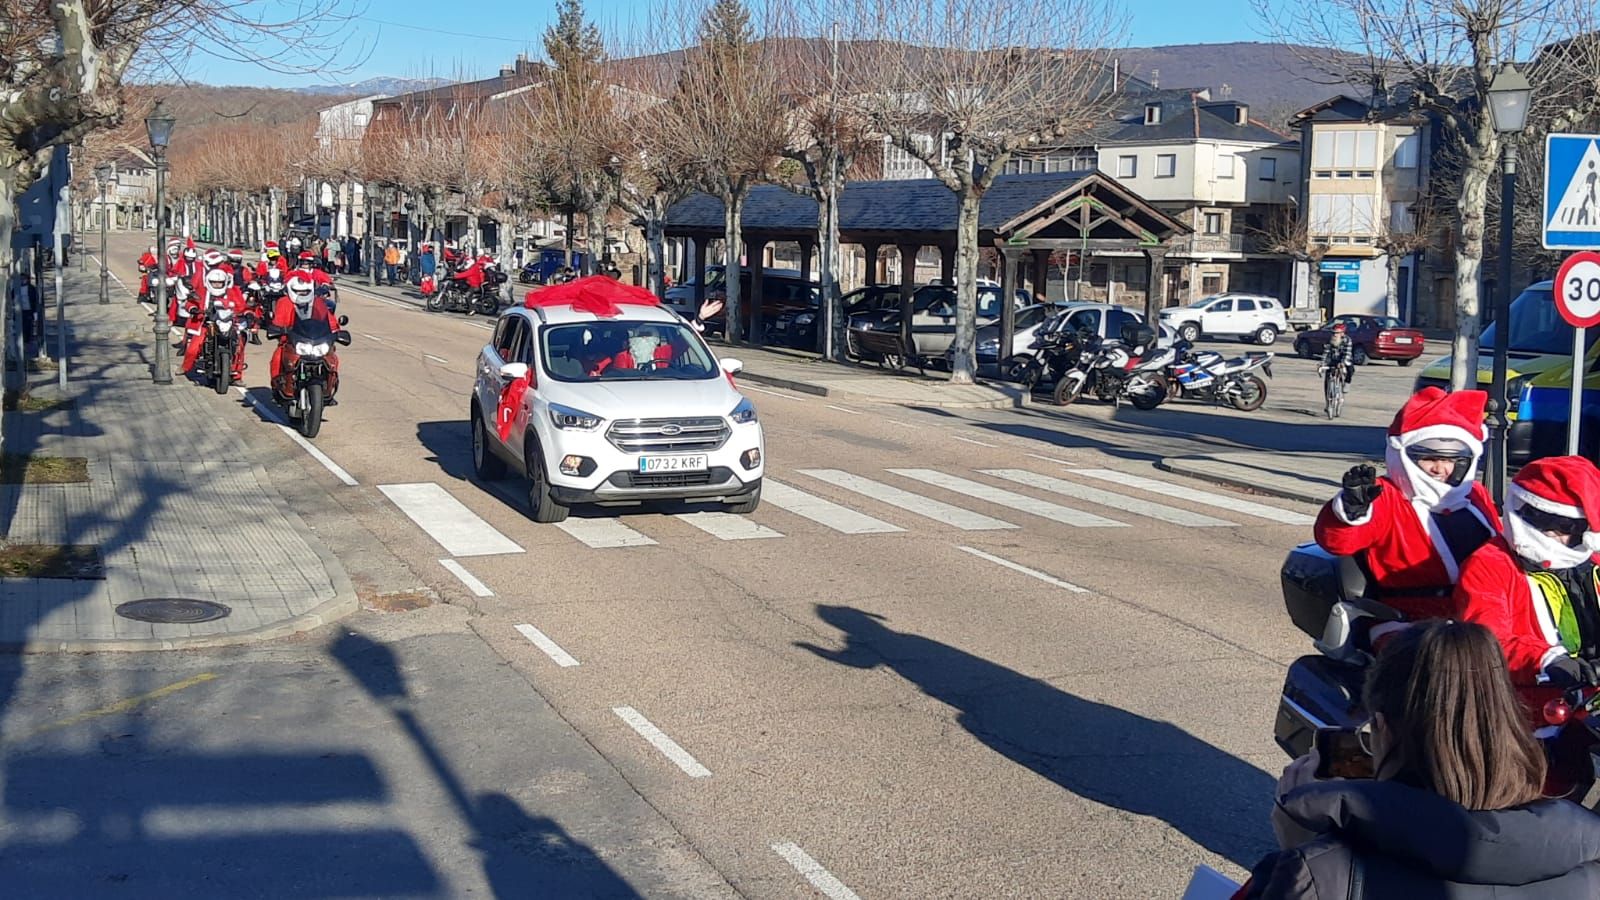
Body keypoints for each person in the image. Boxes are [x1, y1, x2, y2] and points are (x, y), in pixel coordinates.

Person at [1235, 621, 1600, 898]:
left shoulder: (1322, 872)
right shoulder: (1586, 863)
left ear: (1383, 729)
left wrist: (1301, 845)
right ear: (1508, 728)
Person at [1314, 387, 1498, 621]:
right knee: (1450, 653)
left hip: (1480, 613)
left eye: (1450, 460)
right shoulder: (1386, 495)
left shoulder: (1475, 495)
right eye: (1429, 459)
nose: (1440, 469)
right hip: (1407, 619)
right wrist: (1351, 509)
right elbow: (1338, 543)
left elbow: (1500, 550)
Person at [1454, 456, 1600, 717]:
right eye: (1561, 525)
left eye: (1577, 527)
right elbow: (1487, 642)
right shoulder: (1490, 565)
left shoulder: (1592, 557)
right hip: (1537, 705)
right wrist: (1548, 660)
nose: (1566, 537)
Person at [266, 274, 340, 395]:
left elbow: (329, 320)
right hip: (291, 341)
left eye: (306, 291)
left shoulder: (318, 302)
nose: (302, 294)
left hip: (315, 341)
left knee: (332, 359)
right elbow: (277, 321)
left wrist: (335, 330)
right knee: (277, 358)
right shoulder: (284, 302)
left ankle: (330, 385)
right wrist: (279, 329)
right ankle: (277, 387)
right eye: (298, 291)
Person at [181, 267, 247, 380]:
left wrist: (243, 314)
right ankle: (185, 367)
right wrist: (193, 309)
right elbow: (190, 303)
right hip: (207, 324)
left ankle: (237, 375)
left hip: (228, 324)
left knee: (239, 346)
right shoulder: (202, 291)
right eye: (214, 282)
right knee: (193, 348)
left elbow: (241, 306)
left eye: (220, 283)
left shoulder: (232, 292)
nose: (217, 285)